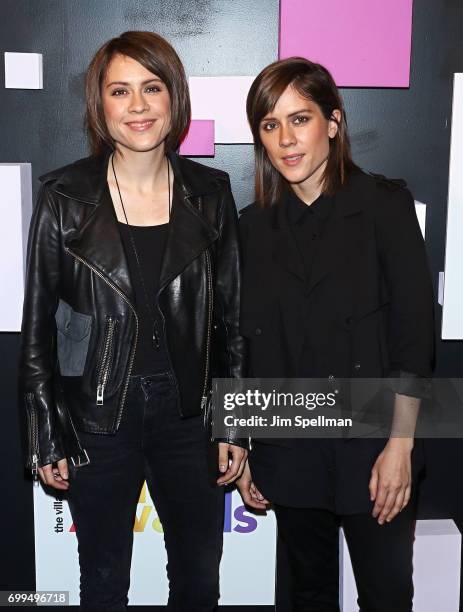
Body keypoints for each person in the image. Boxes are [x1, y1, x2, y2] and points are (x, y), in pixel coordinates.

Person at [19, 31, 247, 611]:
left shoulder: (211, 194)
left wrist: (235, 424)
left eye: (152, 87)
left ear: (175, 99)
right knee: (103, 582)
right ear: (101, 104)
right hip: (97, 415)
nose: (138, 106)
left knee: (199, 583)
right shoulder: (63, 197)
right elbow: (38, 329)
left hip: (189, 418)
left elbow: (233, 323)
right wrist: (46, 431)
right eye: (121, 91)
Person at [236, 57, 434, 611]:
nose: (286, 139)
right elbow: (249, 343)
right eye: (270, 125)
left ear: (334, 121)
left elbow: (414, 335)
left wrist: (400, 445)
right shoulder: (252, 227)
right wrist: (250, 447)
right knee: (305, 597)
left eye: (300, 119)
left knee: (387, 595)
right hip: (289, 445)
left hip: (374, 447)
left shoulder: (384, 205)